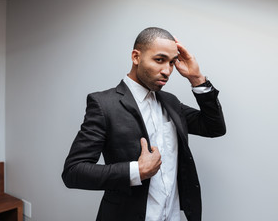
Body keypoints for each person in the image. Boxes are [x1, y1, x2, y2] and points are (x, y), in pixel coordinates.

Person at [62, 27, 226, 221]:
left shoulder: (171, 102)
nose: (167, 71)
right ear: (136, 57)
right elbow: (73, 172)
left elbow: (214, 127)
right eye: (159, 60)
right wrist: (136, 171)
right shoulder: (104, 104)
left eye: (172, 63)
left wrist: (197, 79)